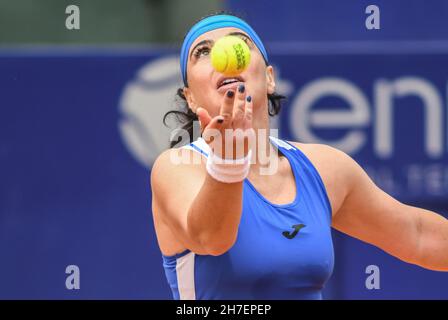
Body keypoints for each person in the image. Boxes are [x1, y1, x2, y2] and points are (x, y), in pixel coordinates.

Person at [150, 13, 448, 300]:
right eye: (202, 52)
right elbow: (210, 239)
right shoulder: (176, 167)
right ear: (190, 98)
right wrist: (229, 161)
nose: (222, 56)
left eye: (239, 42)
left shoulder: (326, 168)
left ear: (269, 79)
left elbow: (417, 235)